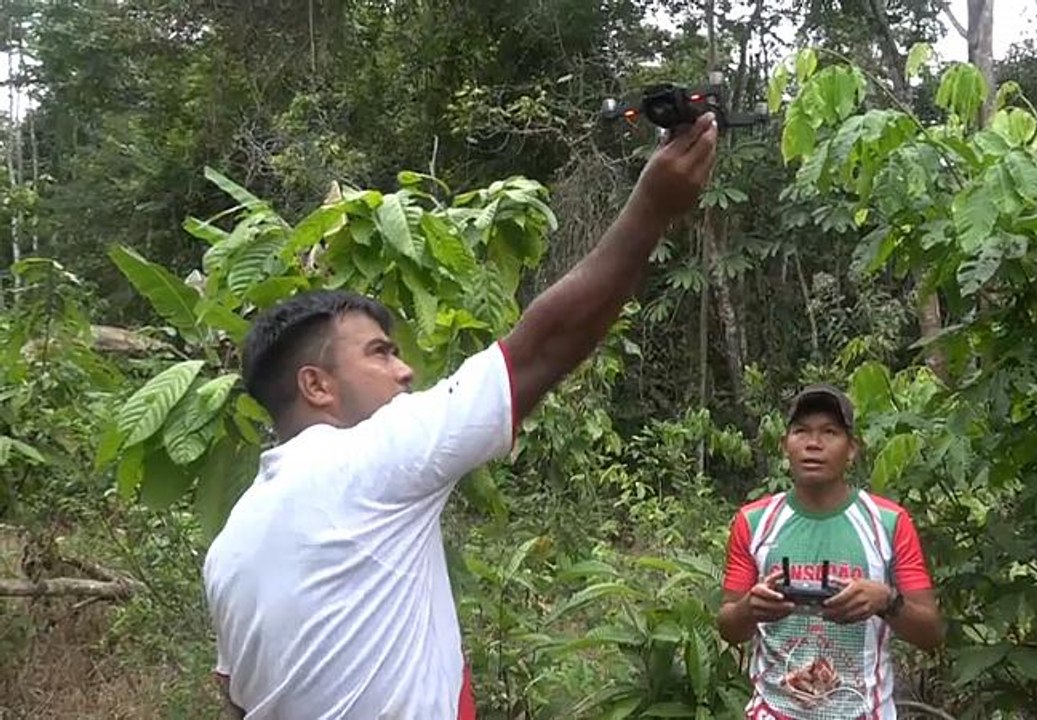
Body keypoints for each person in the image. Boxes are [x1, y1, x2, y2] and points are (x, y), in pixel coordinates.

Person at [201, 112, 719, 719]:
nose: (405, 371)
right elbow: (544, 347)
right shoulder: (370, 458)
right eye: (380, 352)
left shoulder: (229, 544)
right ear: (316, 385)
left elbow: (236, 699)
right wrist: (654, 206)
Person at [716, 383, 944, 720]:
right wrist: (750, 608)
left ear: (851, 449)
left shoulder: (888, 523)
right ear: (785, 446)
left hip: (863, 712)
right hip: (773, 712)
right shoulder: (754, 521)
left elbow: (932, 634)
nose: (813, 444)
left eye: (830, 432)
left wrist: (885, 600)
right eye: (801, 431)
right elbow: (728, 627)